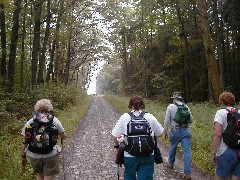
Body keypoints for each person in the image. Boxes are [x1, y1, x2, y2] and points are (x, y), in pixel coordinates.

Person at [111, 95, 164, 180]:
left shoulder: (124, 117)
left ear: (130, 105)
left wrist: (118, 146)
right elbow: (160, 133)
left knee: (129, 176)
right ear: (142, 105)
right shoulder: (150, 116)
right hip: (148, 154)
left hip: (129, 155)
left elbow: (115, 136)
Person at [21, 99, 67, 180]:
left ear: (37, 108)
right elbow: (64, 137)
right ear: (49, 108)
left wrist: (23, 156)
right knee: (48, 176)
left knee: (39, 175)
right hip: (50, 154)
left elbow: (25, 140)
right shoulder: (54, 120)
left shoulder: (31, 121)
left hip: (34, 155)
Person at [162, 92, 193, 180]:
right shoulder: (186, 106)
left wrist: (165, 131)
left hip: (175, 130)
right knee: (187, 152)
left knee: (173, 147)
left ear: (174, 99)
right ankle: (188, 174)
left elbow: (167, 120)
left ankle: (171, 164)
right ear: (180, 98)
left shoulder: (170, 107)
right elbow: (191, 119)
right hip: (186, 130)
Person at [211, 91, 240, 180]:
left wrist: (213, 152)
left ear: (222, 102)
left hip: (225, 151)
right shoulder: (238, 112)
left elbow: (218, 134)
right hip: (239, 150)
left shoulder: (220, 113)